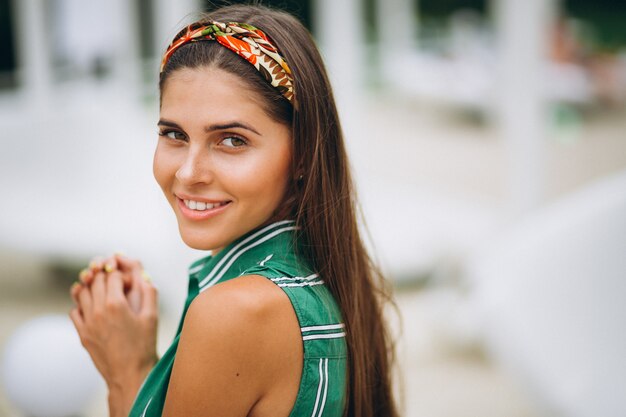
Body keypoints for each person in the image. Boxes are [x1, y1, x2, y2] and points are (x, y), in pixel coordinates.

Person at [69, 4, 399, 417]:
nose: (188, 173)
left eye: (232, 141)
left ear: (302, 155)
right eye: (174, 134)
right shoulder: (320, 277)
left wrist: (126, 369)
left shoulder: (236, 312)